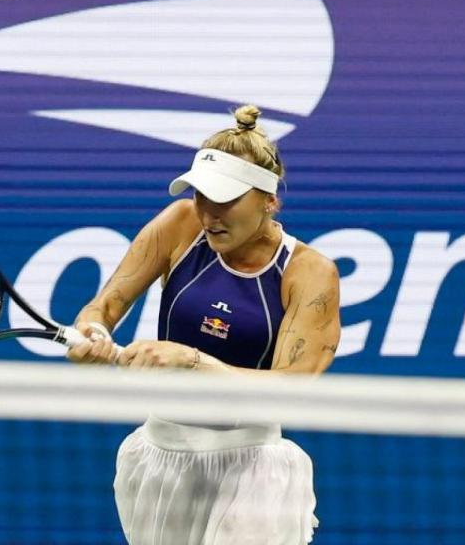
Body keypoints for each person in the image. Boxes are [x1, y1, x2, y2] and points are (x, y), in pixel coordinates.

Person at [67, 104, 340, 545]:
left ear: (269, 200)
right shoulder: (180, 224)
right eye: (201, 196)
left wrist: (193, 361)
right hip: (160, 459)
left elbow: (293, 388)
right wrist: (94, 337)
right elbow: (101, 309)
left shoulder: (309, 272)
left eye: (227, 200)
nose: (210, 213)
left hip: (252, 469)